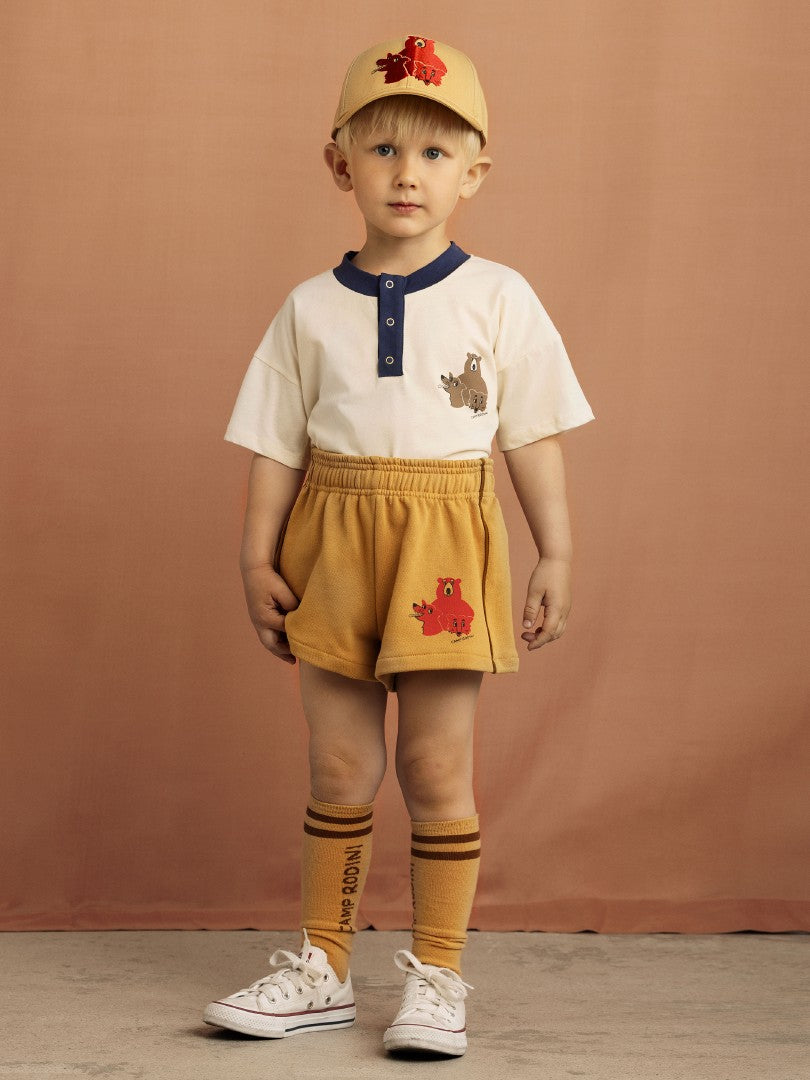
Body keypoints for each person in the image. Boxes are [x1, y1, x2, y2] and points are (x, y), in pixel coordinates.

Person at [203, 34, 595, 1058]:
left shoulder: (500, 297)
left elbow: (532, 434)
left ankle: (439, 974)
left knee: (433, 762)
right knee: (338, 763)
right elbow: (277, 445)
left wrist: (555, 553)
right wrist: (256, 559)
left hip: (445, 546)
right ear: (341, 165)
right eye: (382, 150)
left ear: (475, 173)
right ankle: (323, 967)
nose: (406, 174)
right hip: (332, 540)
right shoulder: (308, 308)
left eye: (433, 153)